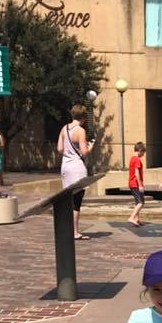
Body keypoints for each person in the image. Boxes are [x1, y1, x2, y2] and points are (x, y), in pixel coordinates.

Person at [57, 103, 94, 240]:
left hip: (65, 167)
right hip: (77, 168)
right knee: (76, 201)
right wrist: (90, 147)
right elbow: (84, 152)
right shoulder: (80, 131)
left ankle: (68, 229)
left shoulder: (64, 128)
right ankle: (75, 231)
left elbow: (60, 149)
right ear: (83, 117)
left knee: (68, 200)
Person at [128, 141, 146, 227]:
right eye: (143, 152)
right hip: (135, 184)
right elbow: (136, 173)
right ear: (140, 150)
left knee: (137, 202)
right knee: (141, 202)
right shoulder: (137, 159)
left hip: (132, 183)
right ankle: (132, 217)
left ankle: (136, 219)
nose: (143, 154)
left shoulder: (132, 158)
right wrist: (140, 185)